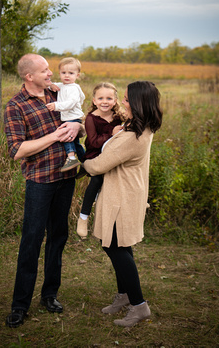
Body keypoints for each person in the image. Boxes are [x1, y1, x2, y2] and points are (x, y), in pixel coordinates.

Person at [4, 53, 83, 328]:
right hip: (39, 181)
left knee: (58, 237)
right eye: (45, 70)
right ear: (29, 76)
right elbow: (17, 150)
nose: (51, 73)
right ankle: (20, 305)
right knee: (32, 240)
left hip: (66, 177)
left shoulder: (60, 93)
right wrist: (55, 135)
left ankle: (50, 295)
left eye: (50, 69)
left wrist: (76, 125)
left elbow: (79, 123)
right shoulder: (15, 106)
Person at [83, 81, 163, 327]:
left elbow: (98, 165)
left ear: (138, 103)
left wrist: (79, 160)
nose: (122, 102)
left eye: (127, 99)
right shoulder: (137, 126)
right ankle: (125, 295)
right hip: (125, 193)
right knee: (118, 245)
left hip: (123, 197)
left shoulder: (132, 136)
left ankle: (139, 306)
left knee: (116, 247)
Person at [76, 82, 125, 238]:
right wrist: (112, 132)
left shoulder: (118, 117)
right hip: (95, 153)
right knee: (96, 181)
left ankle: (135, 202)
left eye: (109, 98)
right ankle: (83, 217)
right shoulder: (91, 118)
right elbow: (94, 141)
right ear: (94, 101)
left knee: (122, 174)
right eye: (101, 98)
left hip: (112, 154)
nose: (105, 101)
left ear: (115, 100)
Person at [46, 57, 85, 172]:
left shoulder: (73, 88)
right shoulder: (62, 85)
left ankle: (71, 157)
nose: (67, 76)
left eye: (71, 73)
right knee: (75, 142)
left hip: (73, 118)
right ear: (59, 73)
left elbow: (71, 103)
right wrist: (51, 85)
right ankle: (86, 162)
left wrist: (56, 106)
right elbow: (50, 85)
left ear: (77, 75)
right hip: (69, 117)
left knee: (66, 136)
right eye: (64, 73)